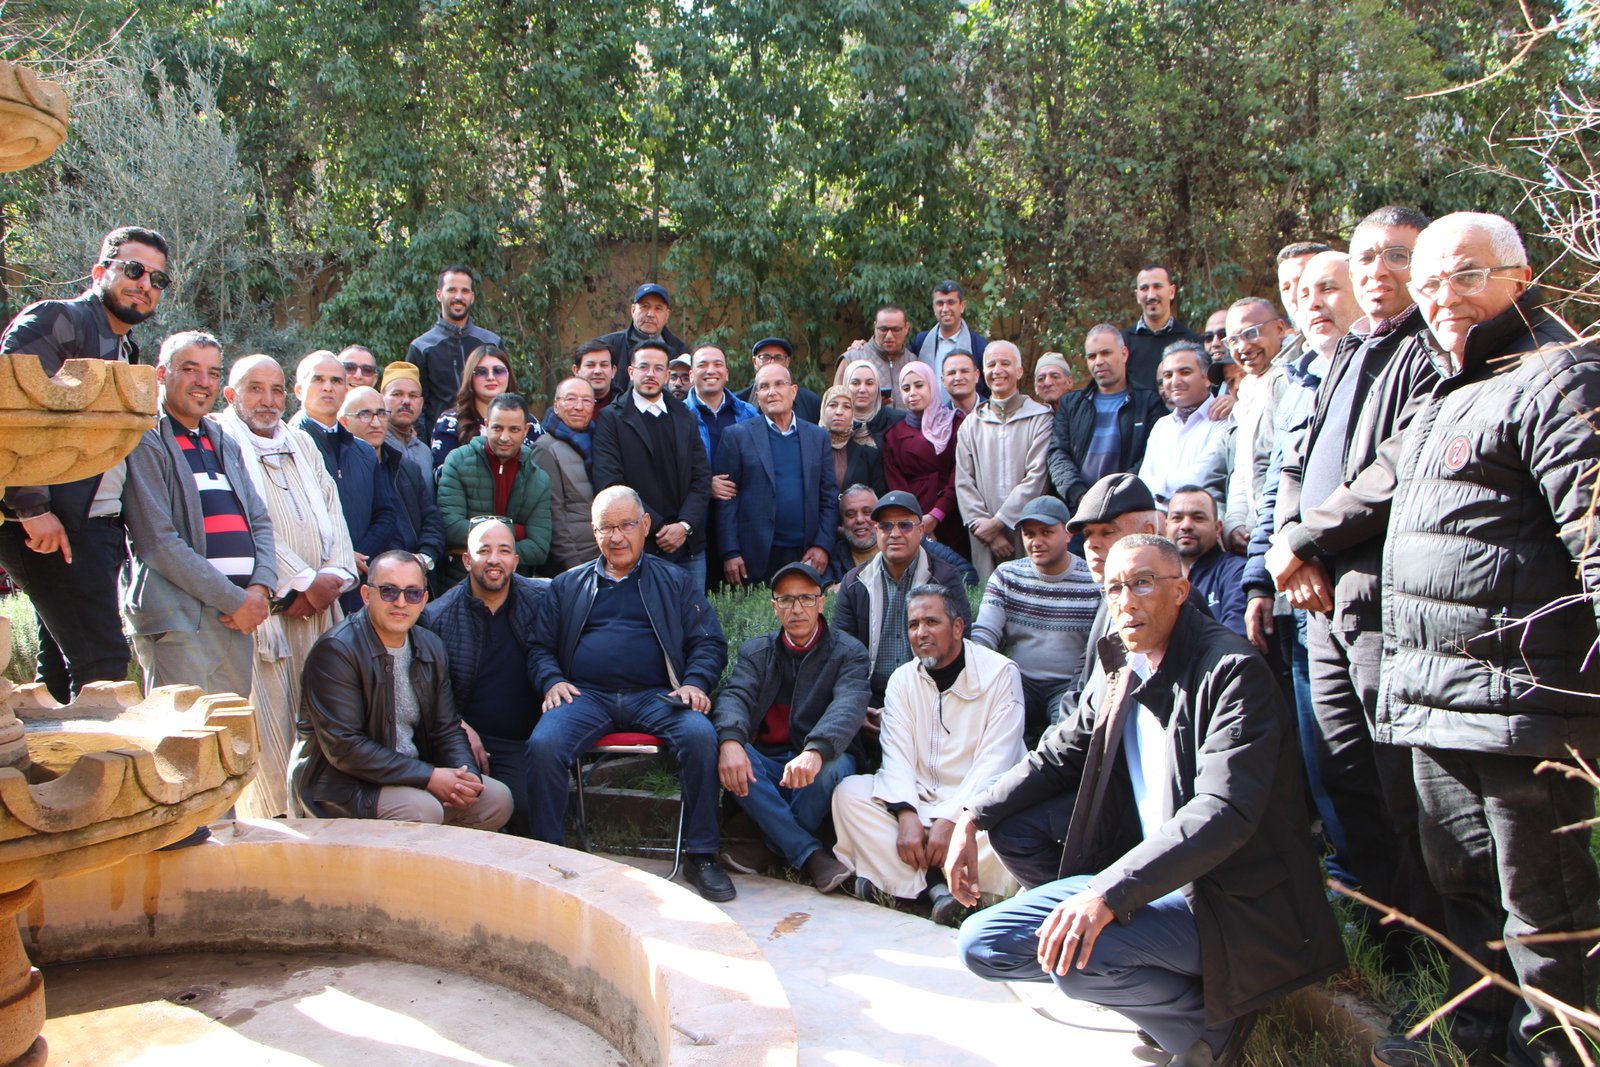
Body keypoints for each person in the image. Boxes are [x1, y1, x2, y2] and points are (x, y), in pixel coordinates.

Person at [1297, 213, 1600, 1067]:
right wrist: (1301, 538)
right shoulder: (1442, 391)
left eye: (1466, 276)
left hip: (1524, 706)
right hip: (1437, 703)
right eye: (1429, 283)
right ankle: (1478, 1045)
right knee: (1464, 888)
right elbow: (1376, 485)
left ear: (1519, 278)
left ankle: (1558, 1053)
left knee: (1545, 908)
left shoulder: (1558, 375)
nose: (1443, 297)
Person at [952, 535, 1344, 1067]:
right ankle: (1170, 990)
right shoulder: (1123, 661)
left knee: (1076, 961)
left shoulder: (1231, 671)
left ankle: (1208, 1029)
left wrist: (1107, 894)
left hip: (1225, 898)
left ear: (1180, 590)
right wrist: (974, 814)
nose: (1126, 601)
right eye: (1114, 588)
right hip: (1152, 876)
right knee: (982, 944)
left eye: (1142, 583)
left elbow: (1222, 811)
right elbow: (1063, 749)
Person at [1263, 207, 1439, 971]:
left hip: (1382, 599)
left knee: (1399, 783)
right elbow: (1298, 462)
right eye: (1365, 256)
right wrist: (1289, 548)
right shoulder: (1345, 351)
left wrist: (1305, 540)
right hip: (1316, 600)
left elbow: (1397, 466)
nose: (1376, 271)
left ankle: (1434, 952)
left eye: (1395, 256)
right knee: (1341, 771)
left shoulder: (1431, 349)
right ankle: (1387, 938)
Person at [526, 486, 733, 901]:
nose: (616, 537)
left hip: (656, 696)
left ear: (646, 525)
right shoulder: (567, 585)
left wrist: (695, 682)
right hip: (586, 696)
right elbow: (538, 647)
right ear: (594, 532)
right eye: (606, 528)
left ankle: (701, 855)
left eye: (626, 525)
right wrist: (551, 679)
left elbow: (709, 642)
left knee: (700, 736)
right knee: (543, 745)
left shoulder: (674, 581)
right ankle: (548, 857)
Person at [0, 225, 168, 702]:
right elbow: (11, 407)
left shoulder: (124, 347)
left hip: (96, 527)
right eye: (133, 270)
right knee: (103, 666)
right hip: (52, 525)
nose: (145, 285)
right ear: (100, 272)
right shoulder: (60, 319)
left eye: (157, 279)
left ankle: (44, 750)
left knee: (61, 666)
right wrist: (31, 508)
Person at [832, 582, 1026, 924]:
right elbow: (896, 756)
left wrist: (953, 819)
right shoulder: (902, 680)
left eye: (931, 622)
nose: (921, 633)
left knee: (1015, 825)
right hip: (920, 801)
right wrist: (906, 814)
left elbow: (997, 761)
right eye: (913, 625)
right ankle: (938, 889)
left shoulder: (1000, 674)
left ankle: (904, 885)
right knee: (849, 794)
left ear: (958, 627)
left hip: (976, 808)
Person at [216, 354, 358, 819]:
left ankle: (323, 819)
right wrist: (301, 582)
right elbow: (242, 520)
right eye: (255, 389)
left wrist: (335, 576)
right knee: (271, 728)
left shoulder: (302, 442)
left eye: (276, 390)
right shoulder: (221, 441)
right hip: (270, 613)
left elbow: (333, 512)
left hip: (320, 610)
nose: (268, 400)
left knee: (323, 721)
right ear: (231, 395)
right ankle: (275, 828)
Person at [291, 550, 513, 830]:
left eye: (412, 593)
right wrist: (430, 777)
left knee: (495, 799)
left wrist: (465, 776)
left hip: (412, 774)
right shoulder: (336, 651)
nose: (400, 602)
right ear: (366, 595)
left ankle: (433, 855)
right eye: (388, 591)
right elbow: (345, 748)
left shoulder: (430, 646)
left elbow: (446, 727)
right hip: (342, 786)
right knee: (422, 810)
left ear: (424, 600)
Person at [121, 332, 275, 700]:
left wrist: (259, 589)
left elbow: (260, 522)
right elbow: (158, 543)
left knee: (230, 731)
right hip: (180, 622)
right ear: (161, 374)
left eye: (213, 373)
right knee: (183, 732)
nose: (203, 382)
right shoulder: (144, 438)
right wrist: (234, 600)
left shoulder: (222, 440)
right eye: (190, 370)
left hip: (235, 620)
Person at [713, 562, 869, 892]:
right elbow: (735, 696)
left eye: (806, 599)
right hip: (771, 767)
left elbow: (849, 705)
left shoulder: (848, 652)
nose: (797, 609)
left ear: (821, 603)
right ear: (774, 607)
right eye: (786, 600)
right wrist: (730, 741)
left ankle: (771, 846)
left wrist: (816, 750)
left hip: (820, 762)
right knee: (730, 753)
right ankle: (810, 855)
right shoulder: (757, 651)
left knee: (830, 766)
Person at [419, 518, 547, 836]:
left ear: (515, 560)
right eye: (484, 550)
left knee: (528, 810)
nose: (494, 559)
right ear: (466, 560)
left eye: (503, 551)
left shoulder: (543, 602)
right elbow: (426, 691)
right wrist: (459, 725)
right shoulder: (436, 617)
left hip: (523, 739)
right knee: (467, 806)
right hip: (461, 738)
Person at [832, 490, 975, 713]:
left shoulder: (945, 579)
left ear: (921, 530)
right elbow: (841, 653)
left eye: (905, 525)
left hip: (929, 695)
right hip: (869, 698)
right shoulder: (854, 582)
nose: (895, 534)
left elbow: (959, 644)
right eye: (886, 526)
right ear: (876, 531)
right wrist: (858, 707)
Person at [971, 497, 1100, 743]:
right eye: (1029, 534)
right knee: (994, 732)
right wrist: (977, 675)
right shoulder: (1007, 575)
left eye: (1046, 532)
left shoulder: (1093, 581)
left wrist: (1078, 689)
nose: (1036, 542)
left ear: (1068, 534)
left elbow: (1096, 650)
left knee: (1065, 739)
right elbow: (985, 633)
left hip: (1069, 686)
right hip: (1018, 681)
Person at [593, 342, 714, 587]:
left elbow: (702, 478)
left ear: (667, 375)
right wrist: (658, 527)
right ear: (630, 372)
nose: (651, 374)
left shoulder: (685, 416)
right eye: (644, 367)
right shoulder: (612, 418)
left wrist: (684, 525)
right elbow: (611, 483)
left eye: (658, 368)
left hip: (688, 546)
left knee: (691, 612)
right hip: (640, 546)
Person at [290, 350, 398, 610]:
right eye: (318, 379)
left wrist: (355, 558)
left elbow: (385, 514)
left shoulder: (364, 451)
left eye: (337, 381)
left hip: (359, 583)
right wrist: (341, 557)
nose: (328, 387)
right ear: (299, 390)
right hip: (308, 585)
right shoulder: (284, 449)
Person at [713, 364, 836, 585]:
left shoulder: (818, 437)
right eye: (764, 386)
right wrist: (730, 551)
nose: (772, 392)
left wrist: (823, 545)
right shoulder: (737, 436)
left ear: (794, 391)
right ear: (757, 396)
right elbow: (726, 500)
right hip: (753, 557)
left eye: (779, 384)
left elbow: (828, 496)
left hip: (806, 552)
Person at [954, 340, 1053, 580]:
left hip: (1027, 528)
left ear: (1019, 371)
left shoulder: (1040, 418)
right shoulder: (971, 424)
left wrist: (999, 522)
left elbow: (1037, 477)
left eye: (1005, 363)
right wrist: (985, 530)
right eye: (991, 365)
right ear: (983, 373)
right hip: (983, 537)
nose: (997, 370)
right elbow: (964, 482)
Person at [436, 393, 552, 587]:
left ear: (526, 430)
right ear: (486, 425)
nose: (504, 437)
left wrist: (479, 548)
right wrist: (518, 531)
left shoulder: (538, 479)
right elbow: (451, 527)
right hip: (459, 581)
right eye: (497, 428)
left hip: (515, 584)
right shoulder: (457, 461)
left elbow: (539, 548)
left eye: (514, 429)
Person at [1048, 324, 1166, 510]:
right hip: (1077, 509)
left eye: (1105, 353)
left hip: (1127, 508)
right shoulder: (1071, 404)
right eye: (1092, 356)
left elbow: (1151, 456)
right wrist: (1079, 495)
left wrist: (1116, 495)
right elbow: (1058, 453)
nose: (1098, 362)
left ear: (1124, 354)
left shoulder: (1148, 402)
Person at [340, 386, 444, 576]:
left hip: (416, 573)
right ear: (344, 422)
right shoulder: (340, 473)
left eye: (381, 414)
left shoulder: (407, 468)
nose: (376, 423)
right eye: (365, 414)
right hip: (365, 574)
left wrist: (425, 557)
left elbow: (431, 519)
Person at [1216, 298, 1289, 552]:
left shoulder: (1294, 377)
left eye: (1251, 333)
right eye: (1233, 340)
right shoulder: (1247, 388)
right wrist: (1235, 523)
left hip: (1286, 529)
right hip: (1255, 532)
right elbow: (1243, 469)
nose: (1243, 347)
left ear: (1280, 329)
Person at [685, 343, 761, 581]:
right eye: (703, 365)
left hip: (740, 523)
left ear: (726, 373)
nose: (711, 370)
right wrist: (704, 485)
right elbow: (670, 471)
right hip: (698, 525)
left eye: (718, 364)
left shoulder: (748, 413)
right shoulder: (678, 416)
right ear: (691, 375)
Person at [882, 360, 967, 556]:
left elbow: (960, 473)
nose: (912, 393)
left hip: (953, 514)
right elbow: (896, 483)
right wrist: (917, 522)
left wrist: (937, 515)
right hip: (913, 522)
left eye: (919, 385)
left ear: (932, 386)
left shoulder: (955, 423)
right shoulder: (893, 435)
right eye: (906, 388)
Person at [823, 484, 978, 590]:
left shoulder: (910, 541)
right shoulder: (835, 554)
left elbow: (966, 573)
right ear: (841, 522)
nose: (859, 520)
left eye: (867, 512)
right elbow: (820, 589)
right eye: (850, 514)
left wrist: (934, 599)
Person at [407, 266, 502, 438]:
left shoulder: (491, 342)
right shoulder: (422, 347)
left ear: (472, 297)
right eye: (452, 290)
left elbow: (506, 393)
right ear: (439, 294)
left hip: (490, 439)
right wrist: (424, 443)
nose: (458, 297)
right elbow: (416, 402)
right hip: (441, 440)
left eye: (465, 291)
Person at [1136, 342, 1233, 507]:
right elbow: (1143, 483)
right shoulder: (1162, 426)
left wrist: (1158, 485)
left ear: (1207, 378)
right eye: (1168, 375)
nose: (1175, 381)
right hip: (1158, 519)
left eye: (1185, 372)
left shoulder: (1224, 419)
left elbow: (1201, 478)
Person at [531, 377, 601, 574]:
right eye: (570, 399)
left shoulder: (600, 442)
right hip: (574, 560)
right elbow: (552, 513)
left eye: (586, 400)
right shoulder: (545, 448)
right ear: (556, 405)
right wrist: (572, 565)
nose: (579, 406)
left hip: (604, 551)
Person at [431, 344, 530, 469]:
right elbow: (442, 473)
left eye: (498, 371)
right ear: (470, 377)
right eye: (481, 372)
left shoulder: (529, 422)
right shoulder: (449, 422)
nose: (491, 377)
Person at [1165, 486, 1245, 637]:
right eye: (1177, 518)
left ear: (1217, 528)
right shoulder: (1159, 579)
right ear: (1166, 527)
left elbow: (1236, 638)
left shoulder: (1236, 572)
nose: (1186, 525)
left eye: (1198, 518)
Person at [599, 282, 691, 398]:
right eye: (645, 306)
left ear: (667, 315)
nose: (650, 314)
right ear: (633, 310)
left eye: (658, 308)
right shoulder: (608, 346)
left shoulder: (679, 350)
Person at [1123, 264, 1204, 390]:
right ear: (1137, 295)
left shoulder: (1192, 343)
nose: (1151, 295)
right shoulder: (1123, 344)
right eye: (1144, 288)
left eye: (1157, 287)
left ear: (1171, 292)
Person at [910, 281, 989, 394]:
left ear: (962, 306)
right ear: (934, 307)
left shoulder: (978, 345)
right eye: (940, 303)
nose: (945, 309)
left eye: (951, 302)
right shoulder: (920, 342)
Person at [836, 307, 915, 406]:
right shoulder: (852, 358)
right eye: (883, 329)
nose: (889, 335)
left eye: (896, 330)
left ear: (906, 328)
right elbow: (836, 402)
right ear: (875, 326)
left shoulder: (913, 362)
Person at [734, 337, 823, 423]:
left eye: (779, 358)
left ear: (788, 362)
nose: (772, 363)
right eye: (765, 357)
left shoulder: (810, 402)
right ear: (754, 362)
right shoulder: (736, 403)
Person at [821, 385, 886, 497]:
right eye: (832, 405)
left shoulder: (869, 456)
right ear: (823, 409)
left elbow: (878, 497)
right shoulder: (809, 450)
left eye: (847, 406)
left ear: (853, 413)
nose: (839, 412)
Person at [380, 361, 433, 485]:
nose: (406, 401)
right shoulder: (376, 446)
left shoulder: (425, 452)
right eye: (397, 394)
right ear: (381, 399)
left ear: (421, 403)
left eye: (413, 396)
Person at [840, 358, 906, 448]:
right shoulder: (835, 421)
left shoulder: (898, 422)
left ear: (877, 387)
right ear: (846, 385)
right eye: (855, 383)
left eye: (869, 383)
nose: (862, 389)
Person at [942, 349, 982, 416]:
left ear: (976, 376)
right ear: (943, 381)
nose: (958, 378)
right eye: (952, 373)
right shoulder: (939, 418)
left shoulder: (994, 412)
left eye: (964, 371)